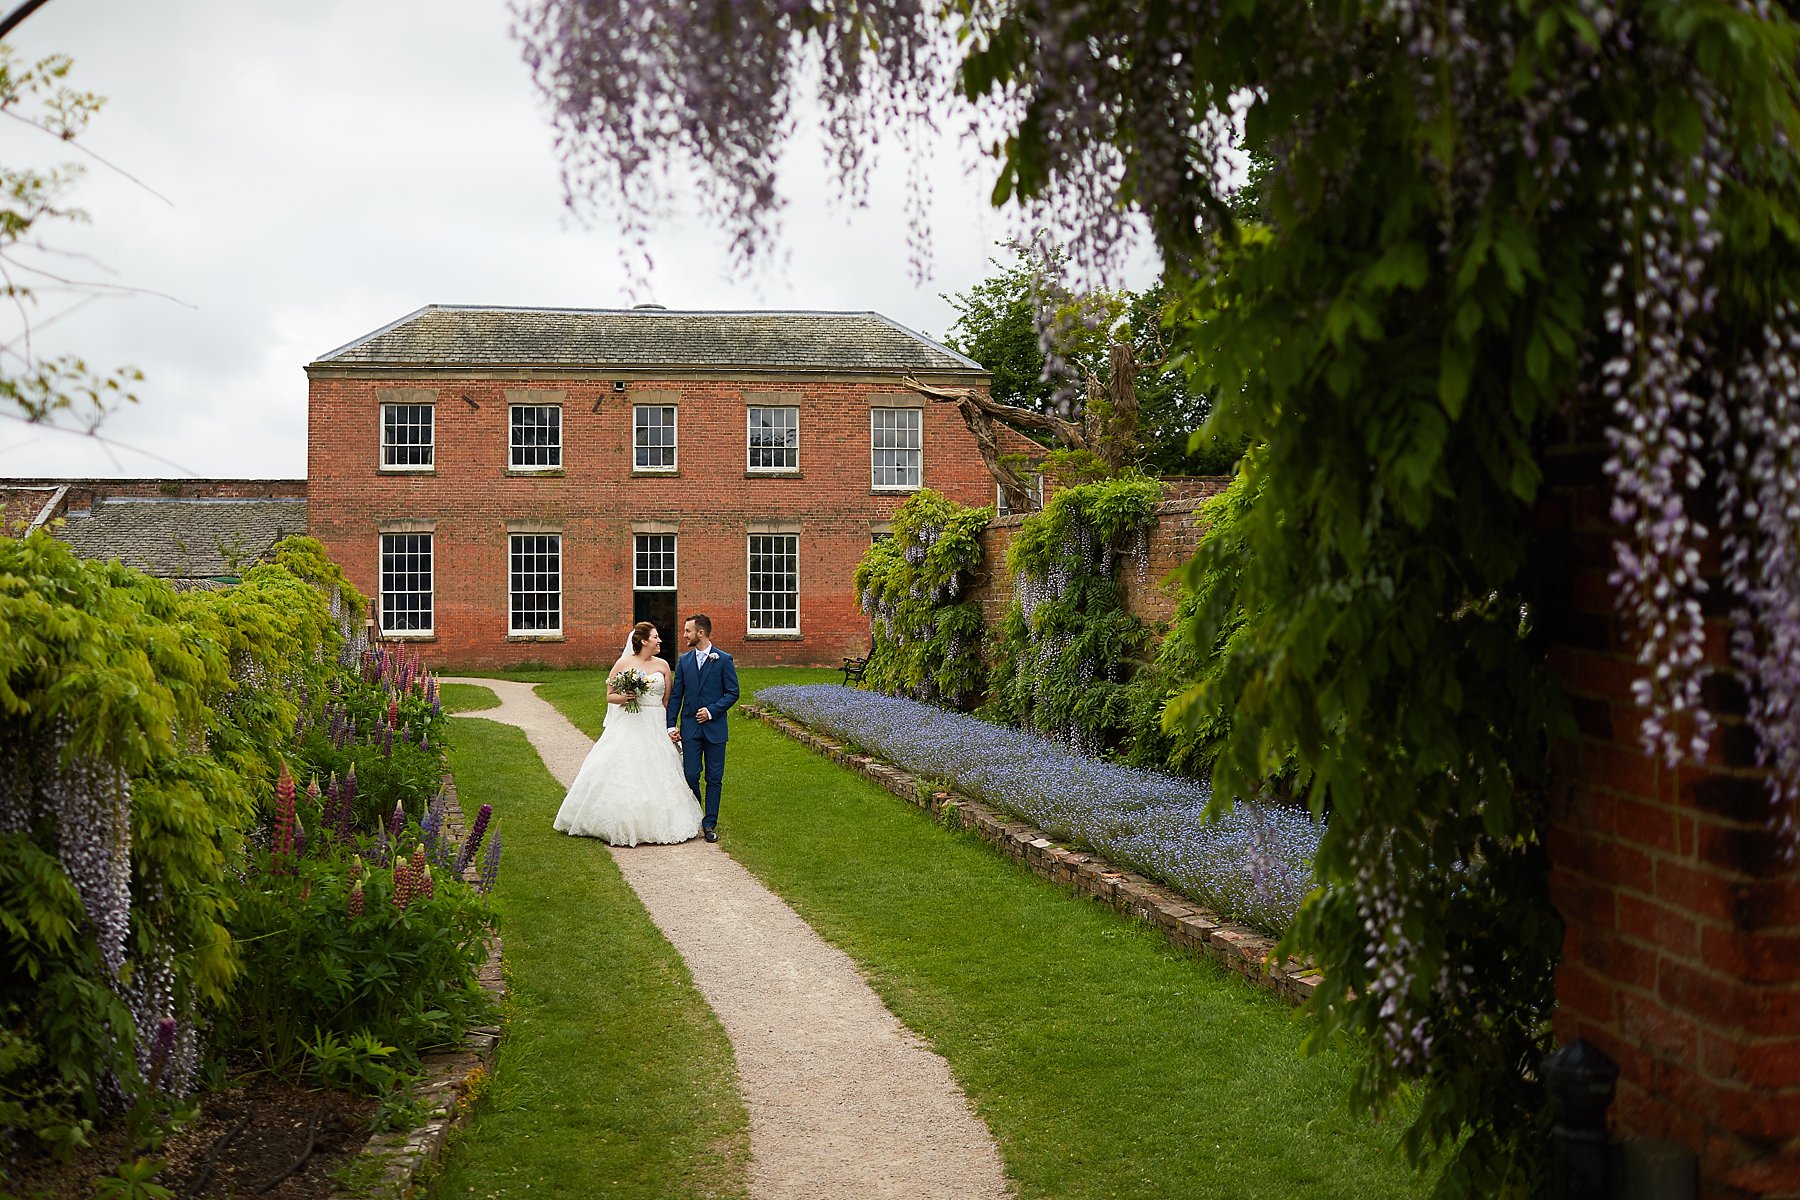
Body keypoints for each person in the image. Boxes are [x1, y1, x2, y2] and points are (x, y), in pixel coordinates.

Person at [553, 621, 702, 845]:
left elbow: (667, 700)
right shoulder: (624, 663)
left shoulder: (663, 666)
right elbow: (610, 695)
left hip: (654, 721)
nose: (660, 641)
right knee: (626, 766)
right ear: (643, 641)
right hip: (631, 722)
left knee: (659, 769)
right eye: (655, 637)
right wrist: (624, 698)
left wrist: (669, 726)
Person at [666, 613, 739, 843]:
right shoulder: (684, 661)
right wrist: (670, 724)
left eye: (688, 631)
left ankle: (709, 824)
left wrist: (711, 711)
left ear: (701, 633)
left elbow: (733, 693)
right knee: (690, 774)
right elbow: (676, 695)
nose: (684, 635)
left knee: (714, 778)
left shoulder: (723, 659)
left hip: (715, 729)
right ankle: (696, 815)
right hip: (690, 728)